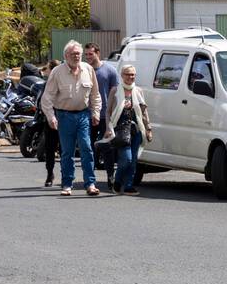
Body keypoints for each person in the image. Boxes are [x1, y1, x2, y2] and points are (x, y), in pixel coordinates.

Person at [40, 40, 102, 197]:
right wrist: (51, 117)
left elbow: (95, 94)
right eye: (74, 54)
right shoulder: (57, 72)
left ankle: (90, 183)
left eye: (79, 54)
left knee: (87, 148)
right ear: (66, 55)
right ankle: (67, 184)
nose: (77, 57)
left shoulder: (88, 69)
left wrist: (95, 112)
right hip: (64, 116)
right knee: (67, 152)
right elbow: (47, 97)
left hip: (83, 115)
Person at [104, 64, 153, 195]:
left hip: (136, 129)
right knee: (127, 158)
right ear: (122, 75)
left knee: (134, 160)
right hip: (120, 129)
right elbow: (108, 112)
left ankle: (129, 185)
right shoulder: (115, 90)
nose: (130, 77)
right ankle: (118, 181)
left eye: (132, 74)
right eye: (127, 74)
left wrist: (148, 128)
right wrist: (109, 127)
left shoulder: (138, 91)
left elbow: (144, 111)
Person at [84, 43, 119, 191]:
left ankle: (111, 176)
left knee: (107, 147)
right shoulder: (84, 70)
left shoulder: (109, 70)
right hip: (88, 114)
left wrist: (112, 113)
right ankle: (90, 180)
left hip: (105, 115)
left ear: (98, 53)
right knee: (88, 147)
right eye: (86, 55)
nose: (88, 57)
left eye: (90, 54)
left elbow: (116, 91)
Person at [38, 59, 60, 187]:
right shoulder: (46, 83)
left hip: (63, 116)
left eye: (47, 68)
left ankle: (66, 175)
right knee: (50, 148)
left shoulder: (63, 81)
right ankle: (49, 174)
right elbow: (43, 100)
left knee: (65, 149)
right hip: (49, 118)